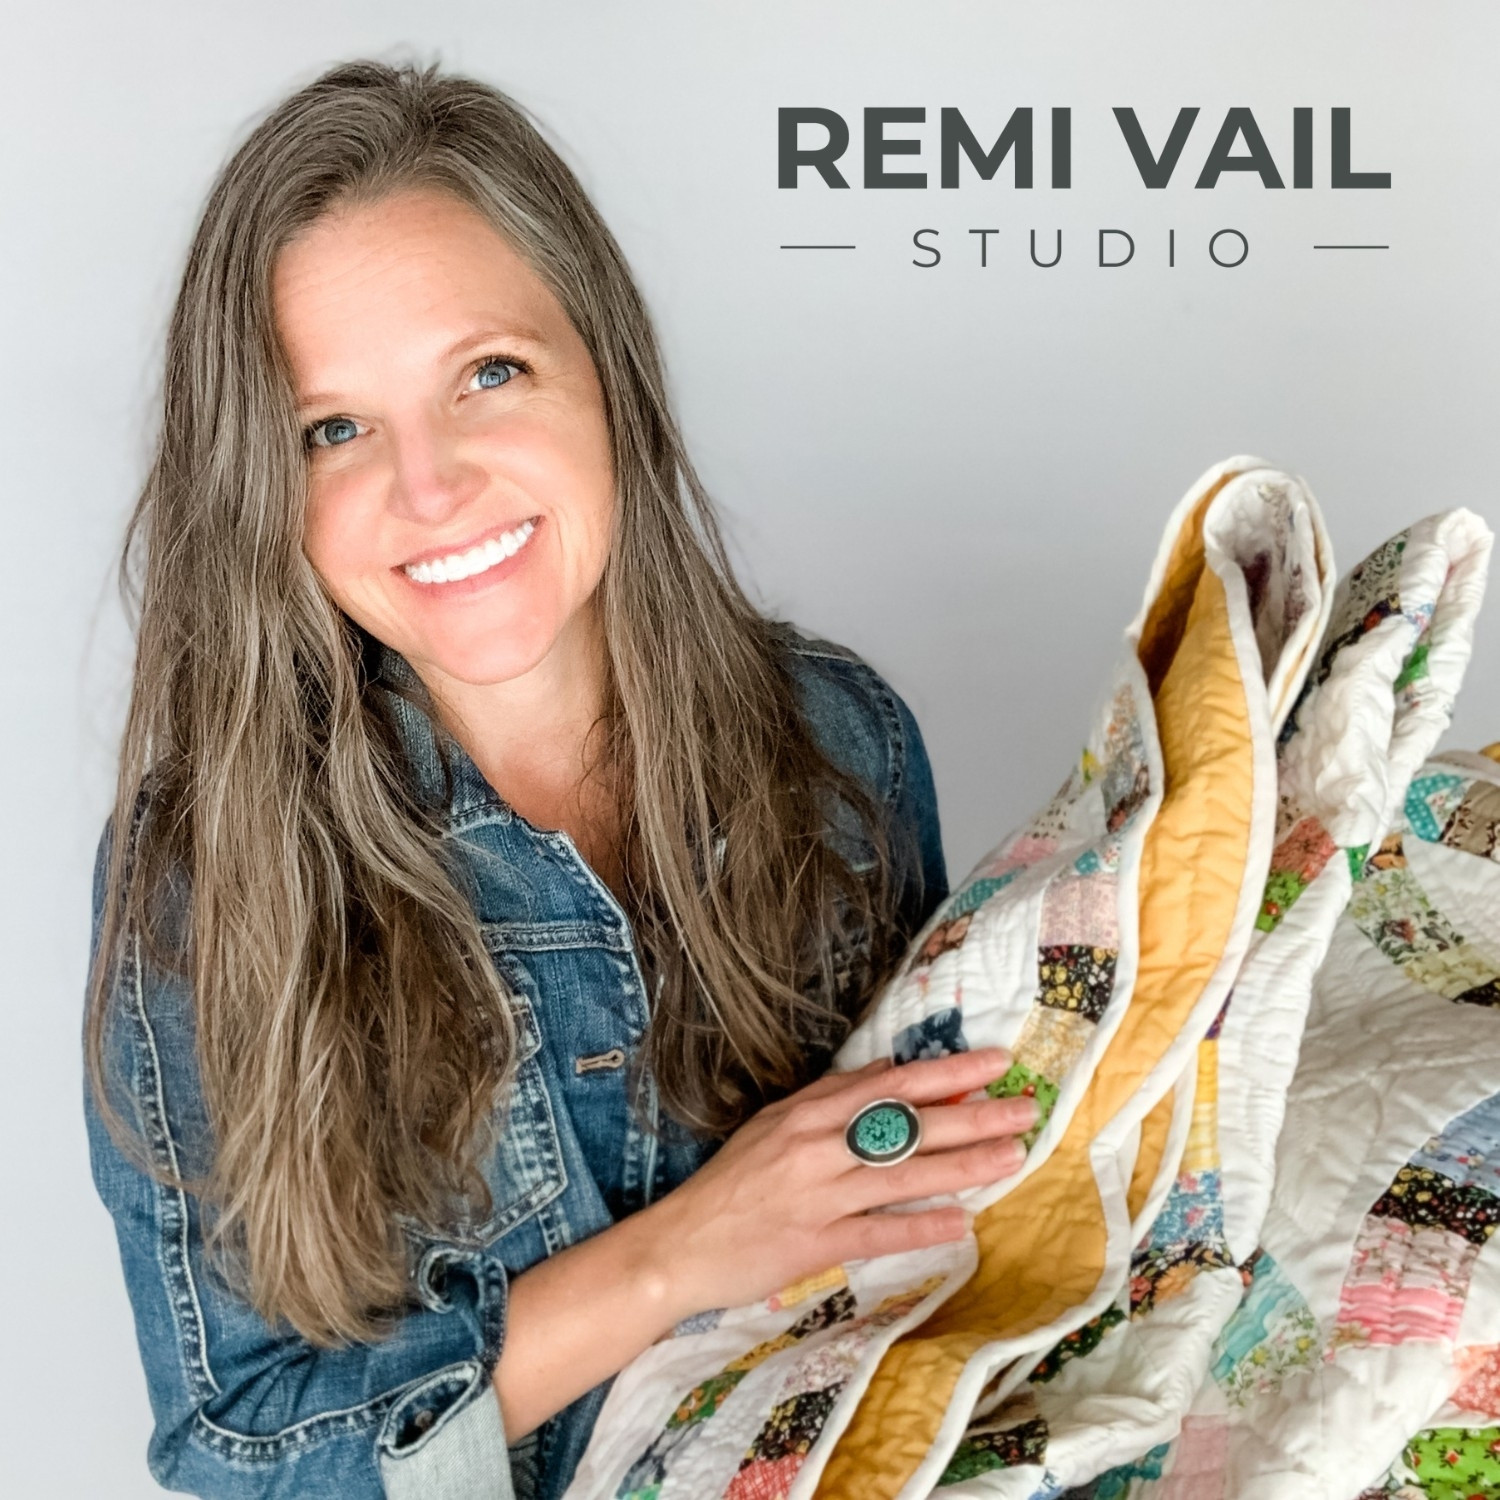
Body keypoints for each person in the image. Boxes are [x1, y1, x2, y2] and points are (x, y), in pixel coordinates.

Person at [82, 57, 1038, 1500]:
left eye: (488, 372)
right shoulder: (203, 868)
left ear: (606, 370)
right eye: (333, 427)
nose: (430, 485)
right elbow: (242, 1450)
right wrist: (681, 1256)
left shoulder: (846, 747)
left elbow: (930, 1236)